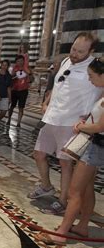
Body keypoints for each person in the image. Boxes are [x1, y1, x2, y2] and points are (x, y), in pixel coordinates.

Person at [28, 32, 102, 215]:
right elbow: (60, 84)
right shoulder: (66, 62)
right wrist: (46, 102)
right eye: (73, 49)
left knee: (65, 162)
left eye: (80, 51)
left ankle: (62, 201)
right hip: (52, 117)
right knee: (38, 154)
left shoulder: (94, 68)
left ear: (91, 51)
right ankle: (46, 186)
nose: (74, 54)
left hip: (71, 121)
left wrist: (90, 116)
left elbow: (101, 92)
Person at [37, 57, 104, 245]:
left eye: (92, 76)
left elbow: (99, 126)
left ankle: (61, 233)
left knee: (74, 192)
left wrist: (81, 126)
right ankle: (82, 226)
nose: (90, 80)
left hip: (96, 147)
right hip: (96, 146)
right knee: (87, 189)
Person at [7, 55, 32, 128]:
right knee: (12, 106)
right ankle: (9, 119)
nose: (20, 62)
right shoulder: (14, 68)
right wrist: (14, 75)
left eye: (21, 61)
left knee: (21, 107)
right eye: (18, 61)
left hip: (23, 90)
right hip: (14, 90)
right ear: (16, 62)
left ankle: (18, 123)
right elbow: (11, 78)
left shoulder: (27, 68)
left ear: (24, 61)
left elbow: (31, 79)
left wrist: (29, 73)